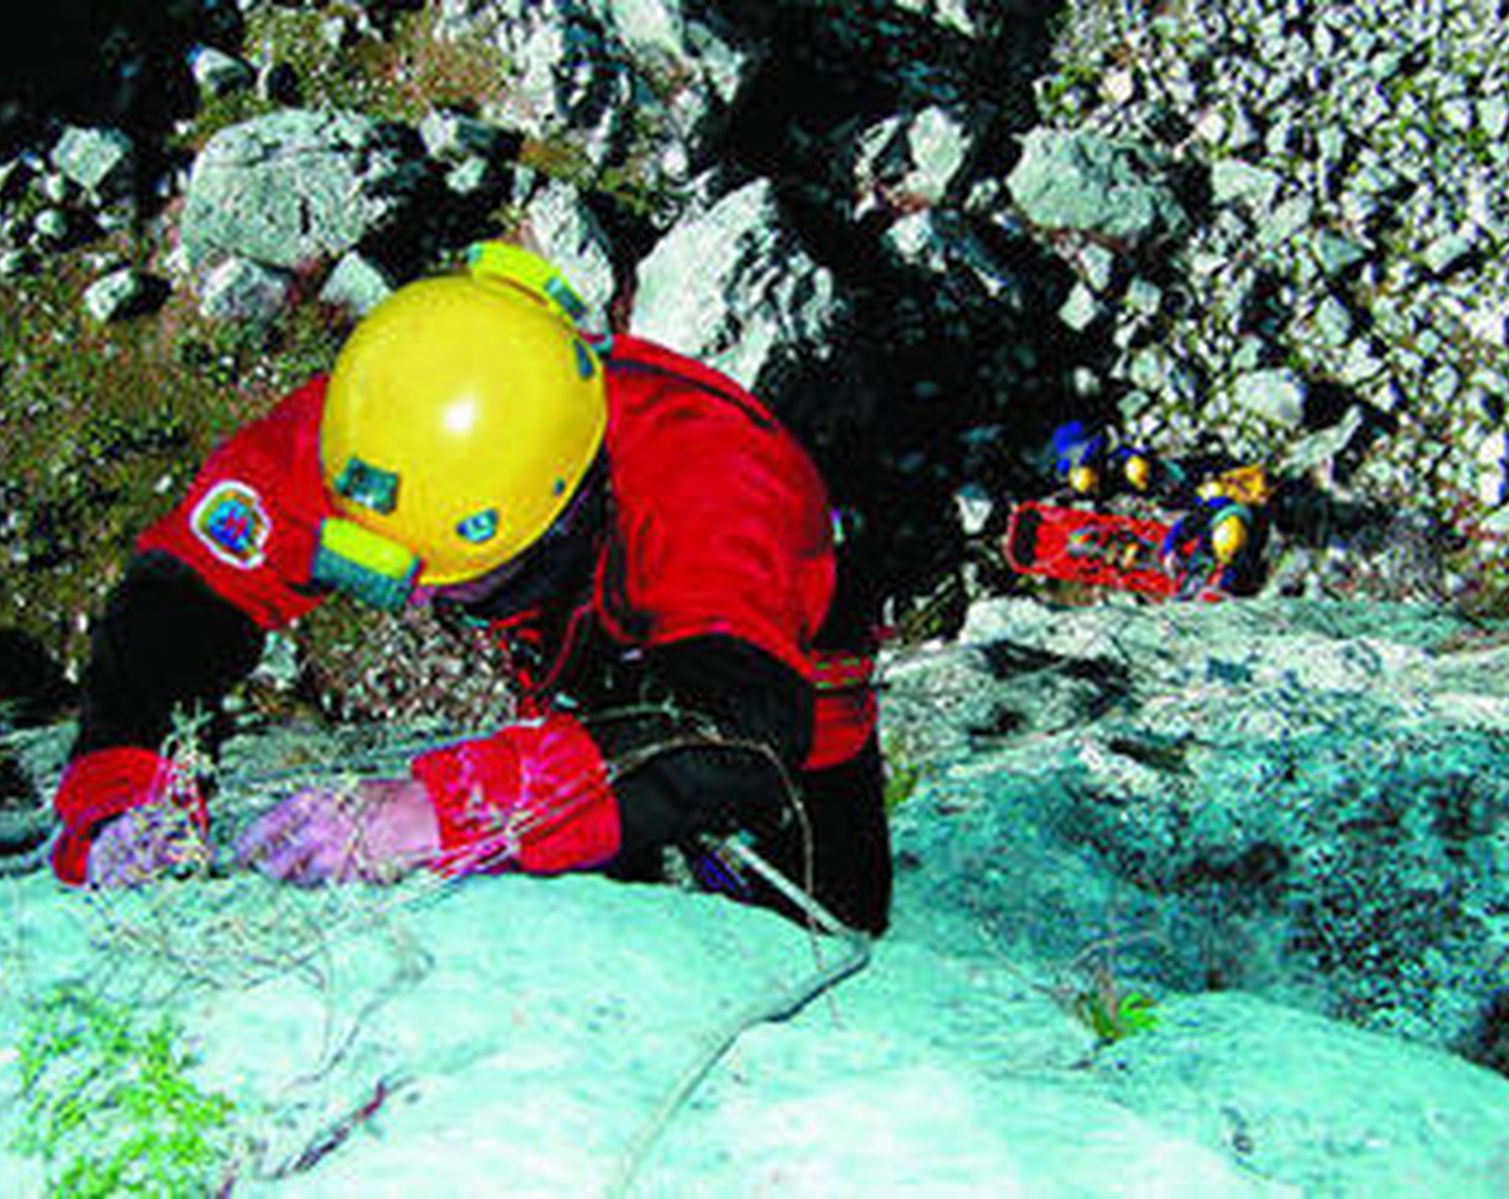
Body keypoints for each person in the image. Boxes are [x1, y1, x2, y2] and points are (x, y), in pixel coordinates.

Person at [50, 242, 892, 936]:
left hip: (777, 671)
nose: (416, 603)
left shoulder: (716, 483)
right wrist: (123, 797)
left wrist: (441, 809)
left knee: (828, 924)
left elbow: (741, 731)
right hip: (574, 643)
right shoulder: (386, 434)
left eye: (446, 577)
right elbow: (182, 598)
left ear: (557, 517)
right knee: (607, 894)